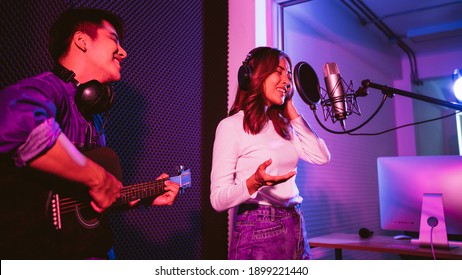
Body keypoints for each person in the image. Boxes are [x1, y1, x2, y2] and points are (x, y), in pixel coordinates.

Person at [0, 7, 180, 259]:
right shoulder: (46, 89)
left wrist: (138, 197)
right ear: (82, 41)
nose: (123, 52)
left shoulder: (92, 115)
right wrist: (96, 177)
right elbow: (17, 123)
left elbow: (75, 202)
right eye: (114, 40)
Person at [210, 47, 331, 260]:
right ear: (253, 76)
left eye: (288, 75)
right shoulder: (231, 126)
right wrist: (254, 182)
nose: (287, 81)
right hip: (259, 228)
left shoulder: (283, 126)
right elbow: (218, 200)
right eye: (279, 71)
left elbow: (321, 156)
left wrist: (291, 110)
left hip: (296, 223)